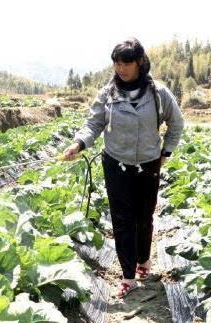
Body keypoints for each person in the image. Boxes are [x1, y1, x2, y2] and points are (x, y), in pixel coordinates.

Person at [62, 38, 184, 298]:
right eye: (116, 63)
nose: (121, 68)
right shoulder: (108, 93)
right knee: (122, 220)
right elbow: (93, 123)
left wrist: (166, 152)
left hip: (148, 163)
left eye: (126, 63)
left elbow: (176, 124)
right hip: (116, 163)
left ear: (139, 62)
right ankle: (127, 276)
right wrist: (79, 144)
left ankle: (143, 261)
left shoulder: (158, 93)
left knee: (144, 217)